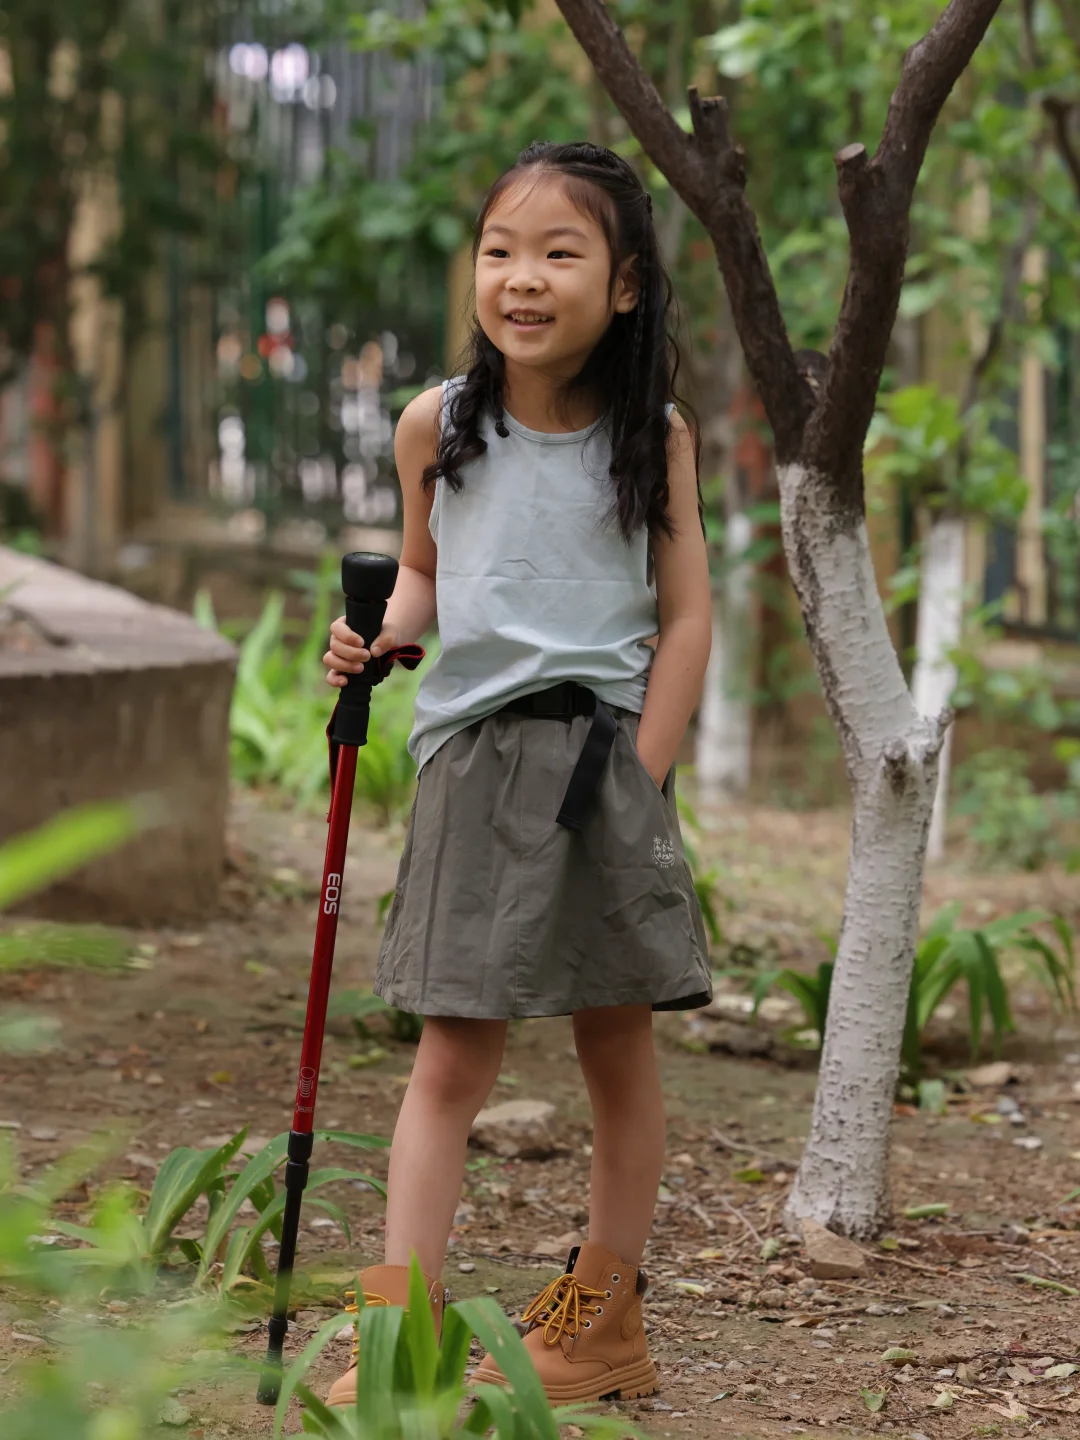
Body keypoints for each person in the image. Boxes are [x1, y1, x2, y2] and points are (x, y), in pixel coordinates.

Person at [321, 139, 713, 1408]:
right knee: (450, 1056)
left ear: (627, 286)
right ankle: (403, 1332)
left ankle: (598, 1315)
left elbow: (688, 613)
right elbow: (430, 575)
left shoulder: (652, 437)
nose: (523, 278)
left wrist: (644, 777)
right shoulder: (438, 424)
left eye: (559, 253)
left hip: (602, 758)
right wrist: (387, 630)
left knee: (617, 1046)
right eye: (500, 251)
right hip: (472, 761)